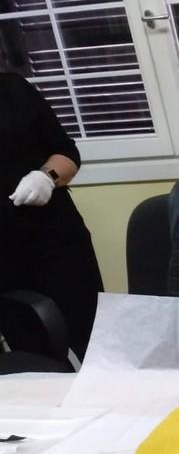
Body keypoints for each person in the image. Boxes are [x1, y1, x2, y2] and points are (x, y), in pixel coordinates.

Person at [1, 70, 103, 359]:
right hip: (4, 261)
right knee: (33, 354)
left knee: (95, 339)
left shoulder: (13, 89)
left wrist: (45, 177)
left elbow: (66, 153)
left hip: (56, 238)